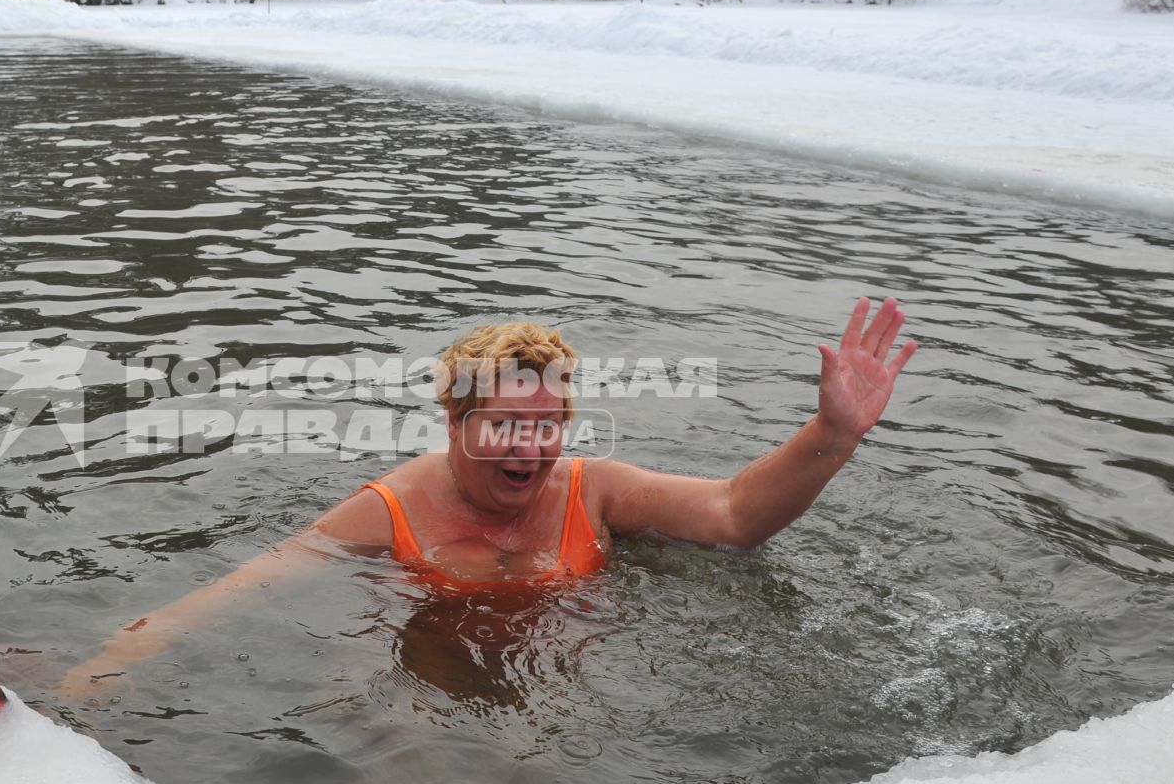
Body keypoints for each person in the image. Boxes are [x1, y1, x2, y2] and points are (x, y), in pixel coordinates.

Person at [54, 296, 918, 703]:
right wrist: (118, 653)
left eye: (548, 425)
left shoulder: (595, 490)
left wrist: (832, 434)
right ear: (457, 418)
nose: (530, 447)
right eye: (504, 422)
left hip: (569, 681)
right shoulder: (386, 511)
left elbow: (736, 516)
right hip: (424, 677)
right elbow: (244, 586)